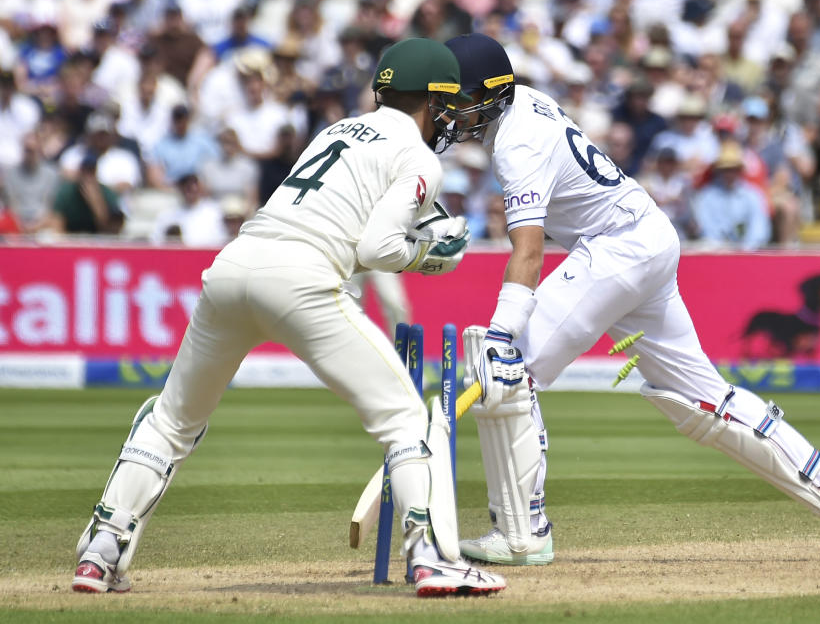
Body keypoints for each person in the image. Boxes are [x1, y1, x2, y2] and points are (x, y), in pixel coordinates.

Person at [71, 38, 505, 598]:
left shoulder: (338, 129)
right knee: (406, 415)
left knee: (172, 419)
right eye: (446, 104)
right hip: (303, 278)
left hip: (232, 266)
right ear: (432, 99)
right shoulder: (419, 158)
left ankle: (101, 552)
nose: (449, 117)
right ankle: (430, 558)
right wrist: (428, 255)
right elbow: (376, 249)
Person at [443, 33, 820, 567]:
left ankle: (521, 533)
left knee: (506, 371)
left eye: (456, 99)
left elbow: (528, 251)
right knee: (701, 396)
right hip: (646, 237)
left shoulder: (515, 141)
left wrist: (503, 334)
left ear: (489, 94)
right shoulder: (523, 100)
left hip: (617, 247)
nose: (449, 113)